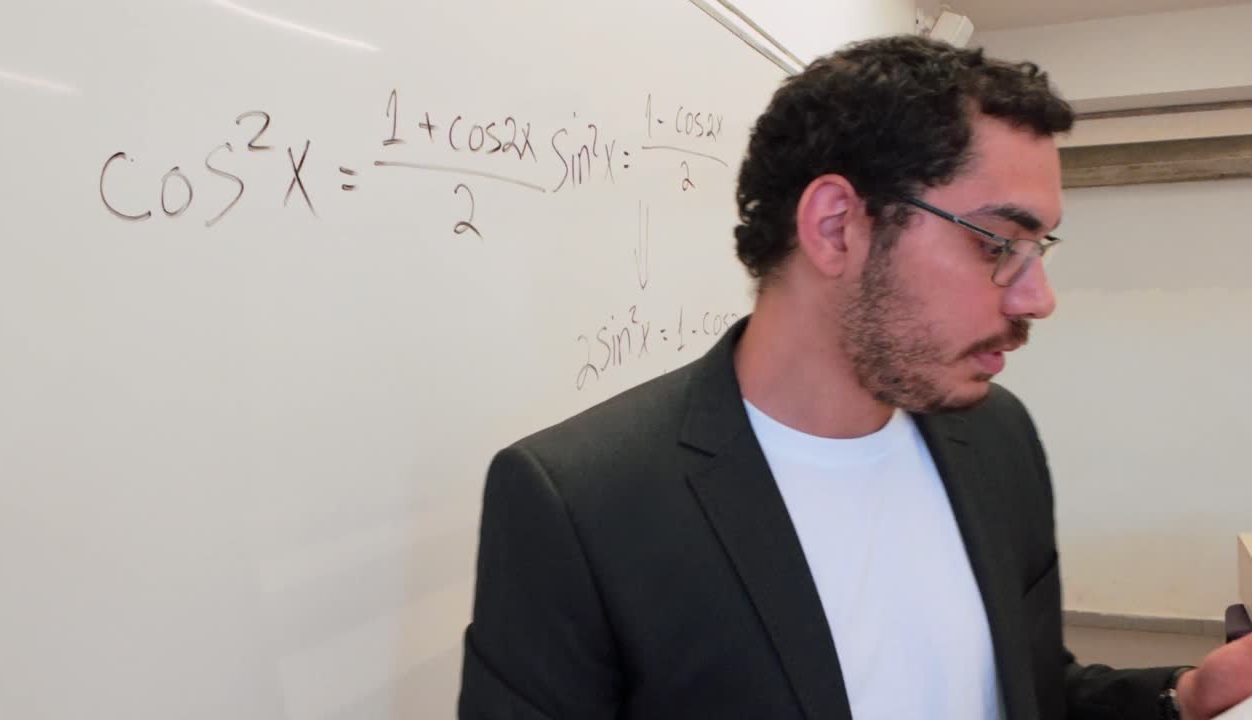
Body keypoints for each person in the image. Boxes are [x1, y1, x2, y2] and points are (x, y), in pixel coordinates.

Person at [457, 35, 1252, 720]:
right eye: (997, 243)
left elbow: (1019, 687)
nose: (1038, 298)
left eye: (1039, 250)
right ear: (837, 226)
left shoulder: (995, 434)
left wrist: (1178, 699)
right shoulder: (581, 501)